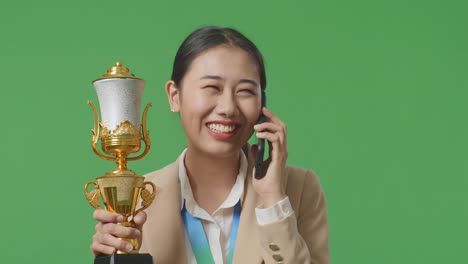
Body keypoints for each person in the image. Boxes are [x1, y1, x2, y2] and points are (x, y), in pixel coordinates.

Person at [91, 26, 330, 264]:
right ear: (174, 96)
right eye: (212, 88)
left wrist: (273, 201)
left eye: (245, 91)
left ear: (261, 103)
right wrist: (114, 255)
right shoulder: (138, 200)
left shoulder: (299, 189)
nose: (228, 107)